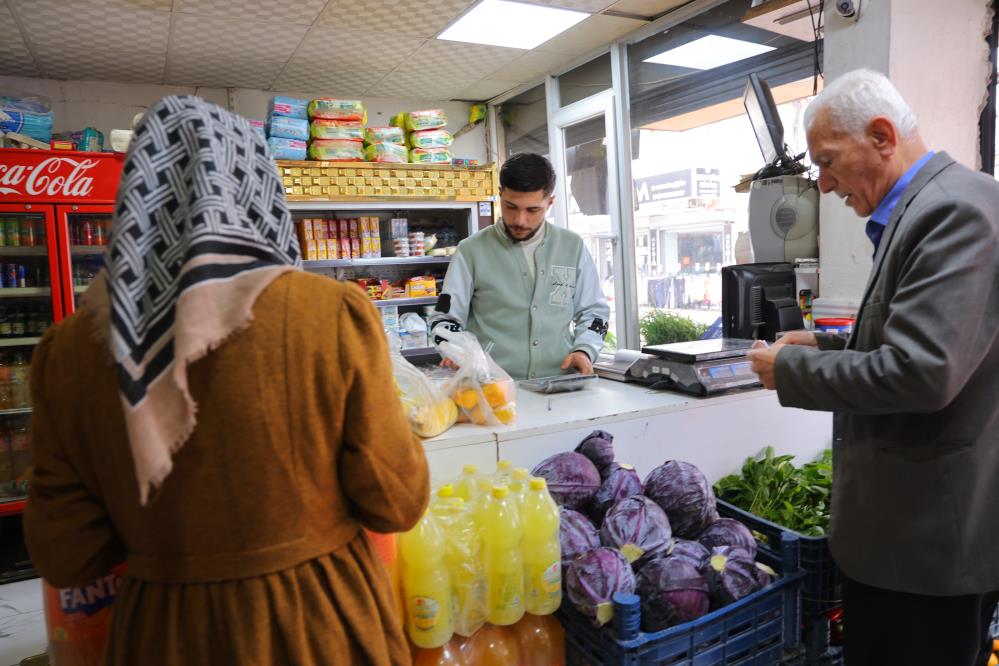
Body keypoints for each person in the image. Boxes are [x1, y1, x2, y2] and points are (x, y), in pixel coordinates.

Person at [24, 96, 429, 665]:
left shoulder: (66, 352)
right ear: (257, 189)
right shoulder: (328, 314)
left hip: (160, 636)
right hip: (321, 627)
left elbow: (66, 554)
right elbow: (397, 501)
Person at [747, 69, 999, 666]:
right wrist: (823, 347)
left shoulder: (952, 212)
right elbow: (913, 342)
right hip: (916, 539)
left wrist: (790, 372)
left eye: (829, 162)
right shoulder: (933, 204)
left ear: (882, 136)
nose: (825, 185)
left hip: (926, 549)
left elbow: (922, 371)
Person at [429, 153, 610, 380]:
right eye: (510, 206)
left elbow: (594, 311)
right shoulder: (471, 251)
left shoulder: (572, 247)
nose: (520, 220)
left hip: (561, 385)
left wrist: (584, 350)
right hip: (493, 389)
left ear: (549, 203)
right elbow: (444, 319)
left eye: (532, 210)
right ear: (500, 194)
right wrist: (456, 351)